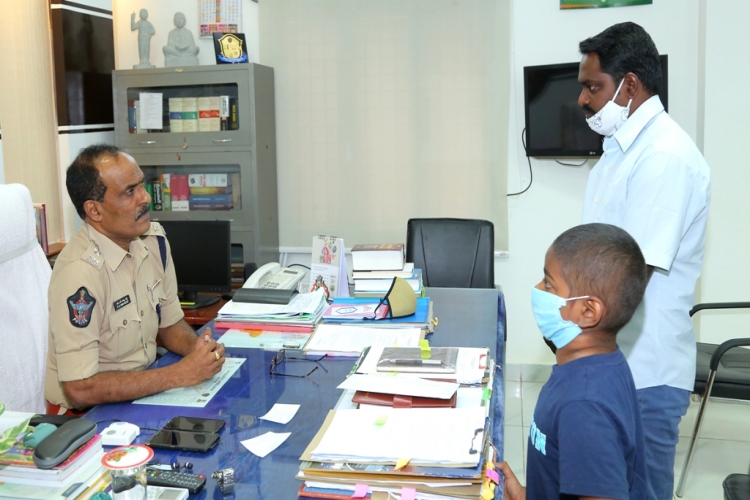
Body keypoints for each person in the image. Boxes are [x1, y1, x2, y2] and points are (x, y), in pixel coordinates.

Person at [576, 22, 710, 499]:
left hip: (645, 373)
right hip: (615, 361)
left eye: (594, 86)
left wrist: (566, 323)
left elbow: (629, 273)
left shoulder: (665, 157)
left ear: (629, 85)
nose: (583, 100)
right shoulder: (620, 151)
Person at [44, 144, 225, 414]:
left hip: (144, 392)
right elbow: (79, 389)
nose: (146, 198)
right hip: (87, 417)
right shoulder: (79, 274)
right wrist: (179, 375)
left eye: (141, 185)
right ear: (94, 211)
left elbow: (170, 323)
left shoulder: (154, 242)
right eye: (130, 191)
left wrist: (196, 349)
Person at [499, 223, 649, 499]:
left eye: (548, 284)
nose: (537, 288)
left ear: (588, 311)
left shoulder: (584, 407)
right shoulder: (600, 363)